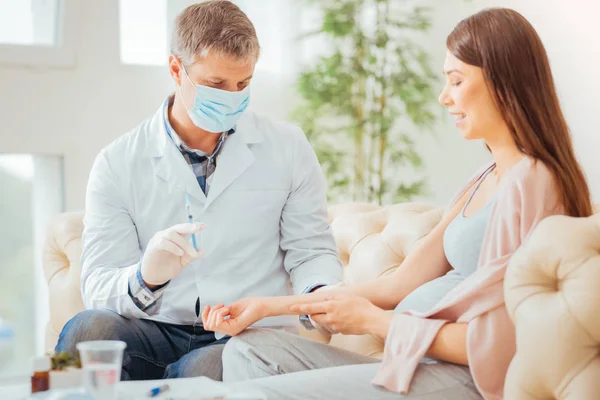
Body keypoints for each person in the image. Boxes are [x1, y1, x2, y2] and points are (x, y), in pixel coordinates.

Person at [201, 7, 593, 399]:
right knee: (250, 351)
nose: (444, 98)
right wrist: (268, 306)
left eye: (456, 81)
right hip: (417, 365)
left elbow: (497, 343)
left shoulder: (536, 182)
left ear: (505, 82)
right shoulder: (483, 180)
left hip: (469, 378)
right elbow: (400, 283)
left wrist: (376, 323)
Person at [55, 0, 342, 382]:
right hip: (154, 326)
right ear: (177, 69)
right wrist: (145, 277)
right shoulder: (118, 162)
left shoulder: (288, 147)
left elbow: (311, 250)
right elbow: (97, 285)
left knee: (203, 371)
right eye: (216, 84)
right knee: (86, 331)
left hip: (244, 335)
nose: (232, 97)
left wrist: (319, 293)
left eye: (243, 84)